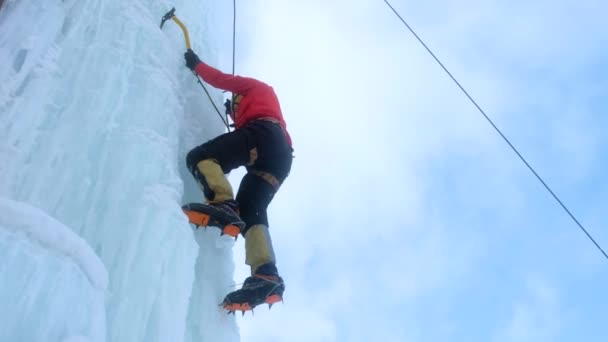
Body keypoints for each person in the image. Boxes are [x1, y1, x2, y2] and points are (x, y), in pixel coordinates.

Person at [183, 49, 293, 312]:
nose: (233, 112)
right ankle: (266, 275)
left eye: (234, 106)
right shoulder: (260, 107)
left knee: (200, 157)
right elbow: (242, 123)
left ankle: (222, 204)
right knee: (250, 210)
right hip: (280, 159)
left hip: (264, 136)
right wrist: (236, 116)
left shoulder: (252, 87)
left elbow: (221, 79)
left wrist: (196, 65)